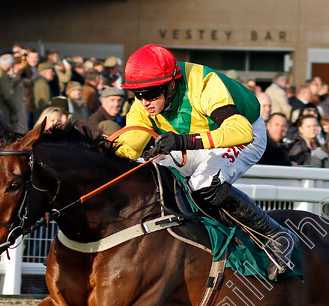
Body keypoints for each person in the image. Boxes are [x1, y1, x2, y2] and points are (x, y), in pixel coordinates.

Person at [113, 44, 295, 280]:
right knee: (155, 174)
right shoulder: (143, 104)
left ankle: (276, 235)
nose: (144, 102)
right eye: (138, 94)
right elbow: (129, 147)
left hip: (245, 132)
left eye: (151, 93)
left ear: (170, 85)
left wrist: (184, 141)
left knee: (203, 183)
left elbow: (240, 131)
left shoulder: (203, 82)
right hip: (196, 141)